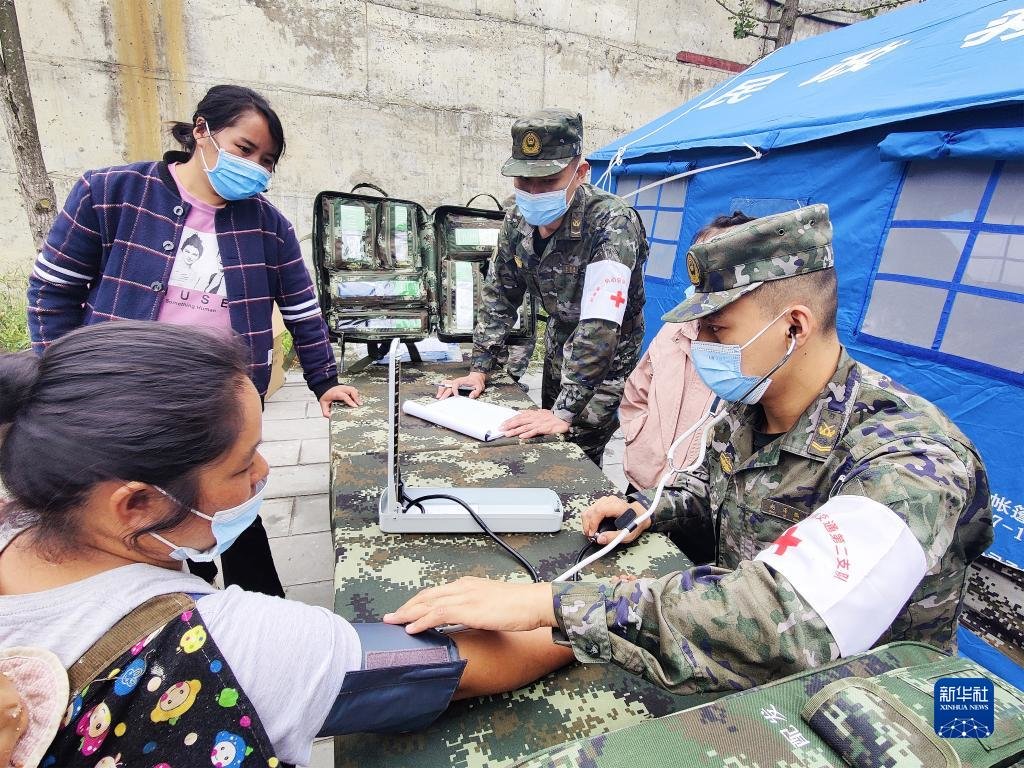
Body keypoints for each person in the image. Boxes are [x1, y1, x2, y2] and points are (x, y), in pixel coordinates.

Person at [384, 204, 993, 696]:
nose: (697, 343)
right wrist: (650, 509)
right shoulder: (753, 404)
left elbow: (783, 616)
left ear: (794, 326)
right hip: (762, 687)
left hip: (884, 711)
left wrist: (549, 603)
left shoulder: (909, 458)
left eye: (716, 329)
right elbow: (716, 489)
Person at [0, 322, 572, 767]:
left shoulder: (19, 525)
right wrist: (581, 608)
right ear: (137, 504)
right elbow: (477, 664)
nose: (263, 472)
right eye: (243, 463)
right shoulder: (229, 643)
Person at [26, 84, 362, 597]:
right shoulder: (112, 193)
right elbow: (53, 291)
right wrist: (65, 380)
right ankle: (170, 606)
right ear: (202, 130)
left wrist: (325, 382)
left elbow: (302, 310)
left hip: (219, 402)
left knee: (226, 503)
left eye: (266, 160)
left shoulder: (267, 226)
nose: (254, 167)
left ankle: (245, 607)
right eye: (244, 149)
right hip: (125, 398)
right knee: (150, 517)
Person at [439, 109, 648, 465]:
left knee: (578, 451)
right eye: (523, 181)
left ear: (580, 173)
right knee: (545, 437)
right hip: (559, 343)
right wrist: (480, 368)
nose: (534, 193)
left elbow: (600, 325)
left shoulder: (613, 224)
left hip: (607, 359)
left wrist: (565, 412)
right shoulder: (516, 220)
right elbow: (500, 295)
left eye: (548, 181)